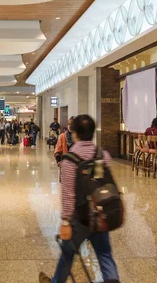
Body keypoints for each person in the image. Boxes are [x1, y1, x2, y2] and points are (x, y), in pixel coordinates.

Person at [39, 115, 119, 283]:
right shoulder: (103, 155)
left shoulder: (70, 160)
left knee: (67, 255)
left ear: (74, 133)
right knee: (105, 255)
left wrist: (66, 222)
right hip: (100, 214)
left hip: (79, 219)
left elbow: (69, 195)